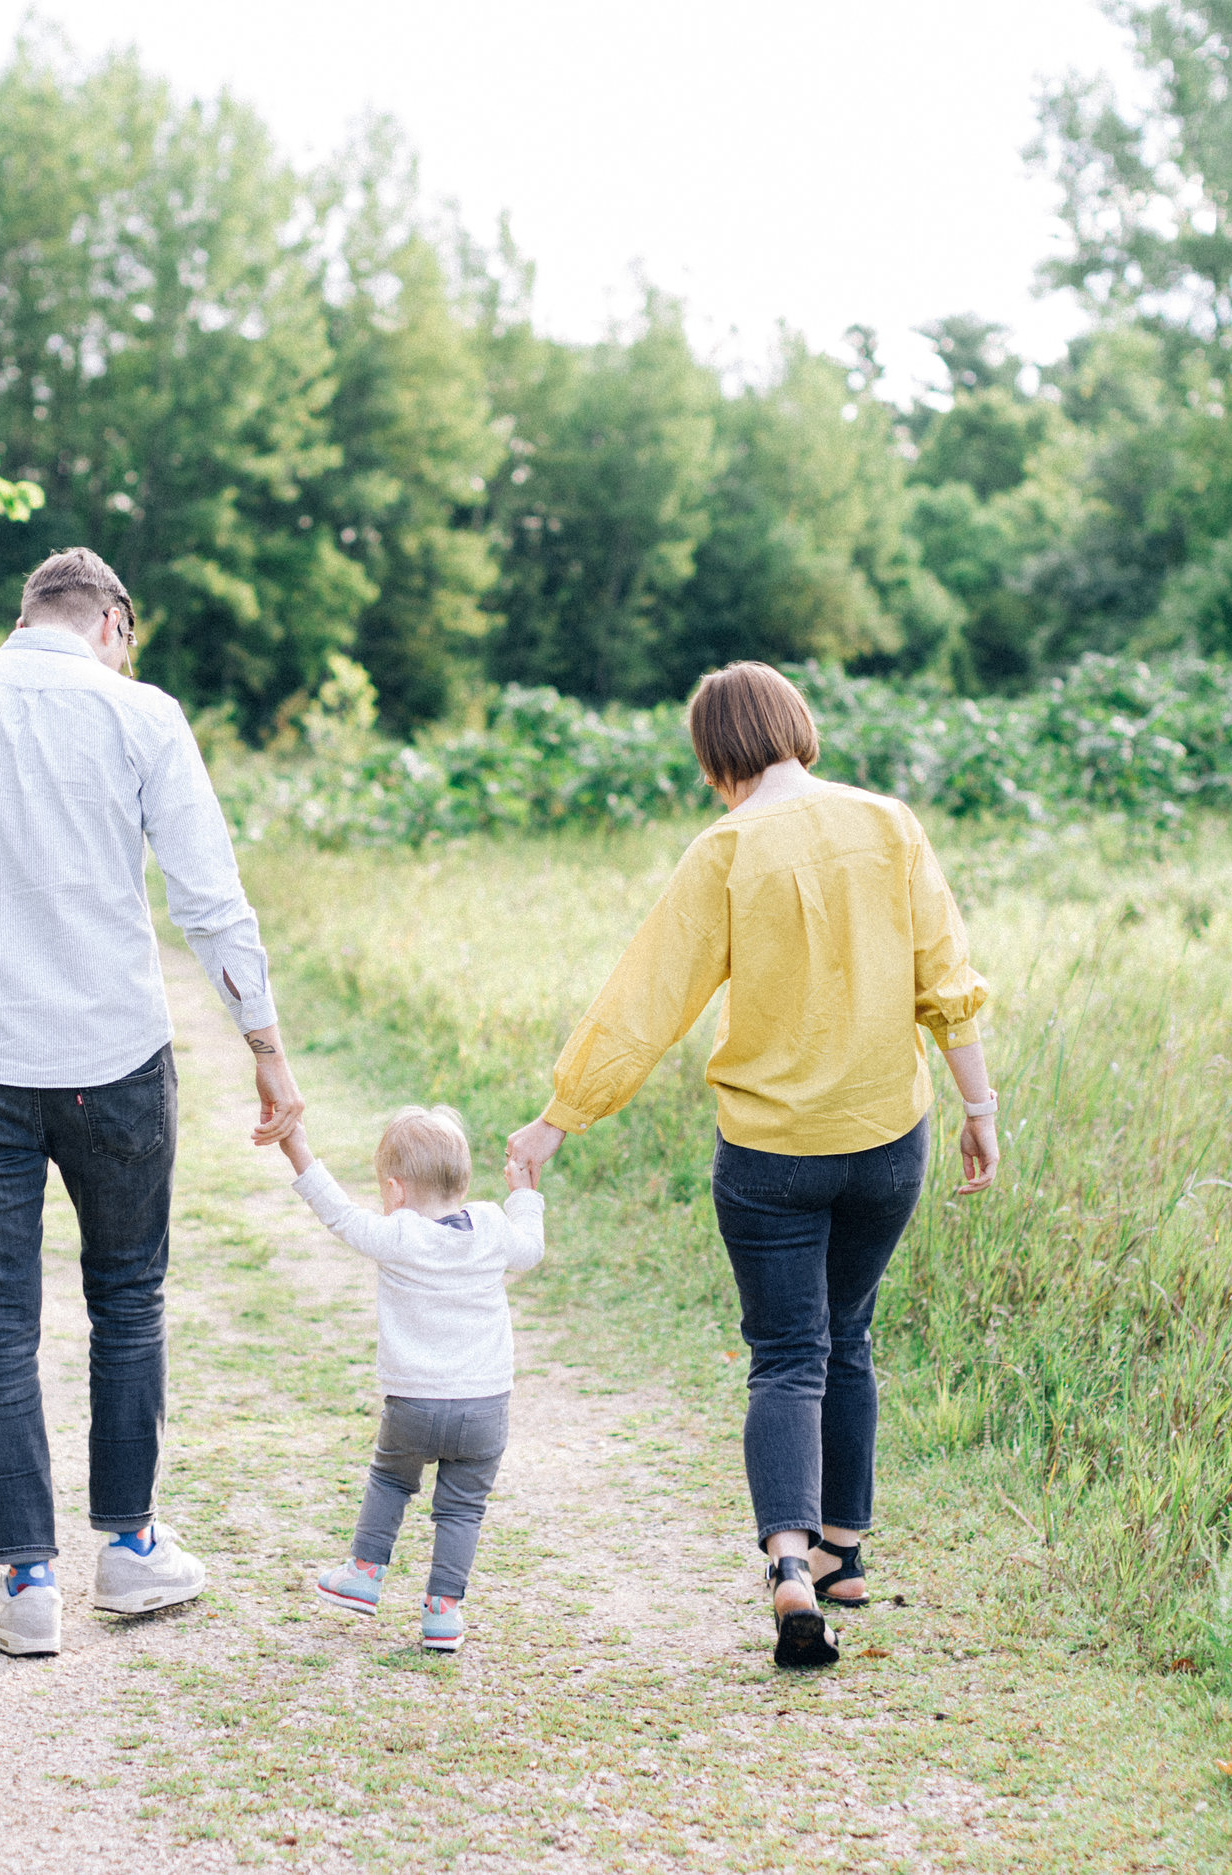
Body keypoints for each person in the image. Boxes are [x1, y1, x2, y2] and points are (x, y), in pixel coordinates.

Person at [0, 547, 306, 1660]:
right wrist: (267, 1051)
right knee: (127, 1299)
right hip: (114, 1055)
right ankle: (133, 1551)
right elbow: (209, 898)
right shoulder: (142, 714)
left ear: (26, 616)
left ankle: (25, 1581)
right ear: (115, 621)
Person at [504, 662, 999, 1670]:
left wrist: (559, 1119)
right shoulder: (889, 823)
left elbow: (647, 999)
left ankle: (785, 1561)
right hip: (884, 1140)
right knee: (847, 1333)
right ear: (794, 725)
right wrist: (978, 1107)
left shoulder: (724, 849)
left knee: (787, 1354)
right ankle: (843, 1556)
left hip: (770, 1152)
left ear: (713, 754)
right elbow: (943, 976)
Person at [280, 1104, 544, 1654]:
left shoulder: (400, 1236)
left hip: (413, 1406)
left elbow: (338, 1214)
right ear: (463, 1181)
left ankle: (365, 1572)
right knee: (462, 1508)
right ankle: (444, 1614)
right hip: (484, 1408)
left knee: (392, 1481)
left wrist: (298, 1150)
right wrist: (523, 1191)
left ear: (395, 1190)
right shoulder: (494, 1227)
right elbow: (532, 1249)